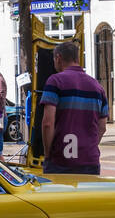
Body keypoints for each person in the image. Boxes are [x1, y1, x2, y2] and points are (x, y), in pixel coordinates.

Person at [40, 41, 108, 175]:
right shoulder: (97, 87)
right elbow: (102, 127)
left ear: (58, 58)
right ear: (77, 58)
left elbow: (48, 123)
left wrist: (48, 154)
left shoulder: (55, 81)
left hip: (61, 160)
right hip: (90, 160)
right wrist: (89, 146)